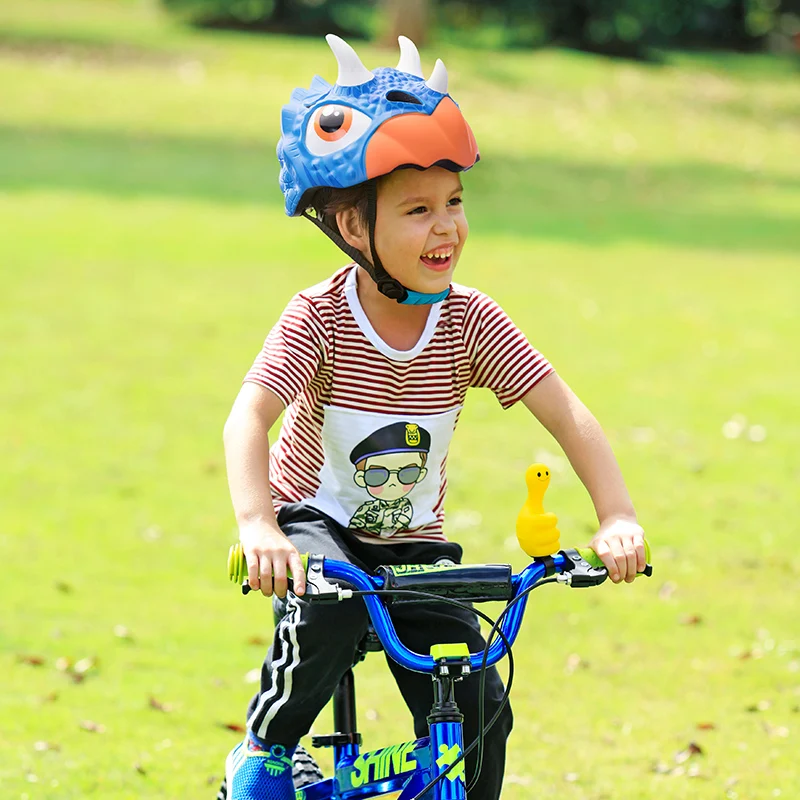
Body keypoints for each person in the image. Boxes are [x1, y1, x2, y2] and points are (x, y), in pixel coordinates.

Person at [221, 34, 646, 800]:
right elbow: (249, 417)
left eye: (454, 202)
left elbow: (566, 412)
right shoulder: (319, 319)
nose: (446, 226)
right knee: (323, 612)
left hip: (413, 545)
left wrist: (615, 514)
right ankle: (268, 750)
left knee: (478, 695)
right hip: (318, 524)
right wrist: (259, 526)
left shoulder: (469, 323)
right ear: (354, 228)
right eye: (417, 210)